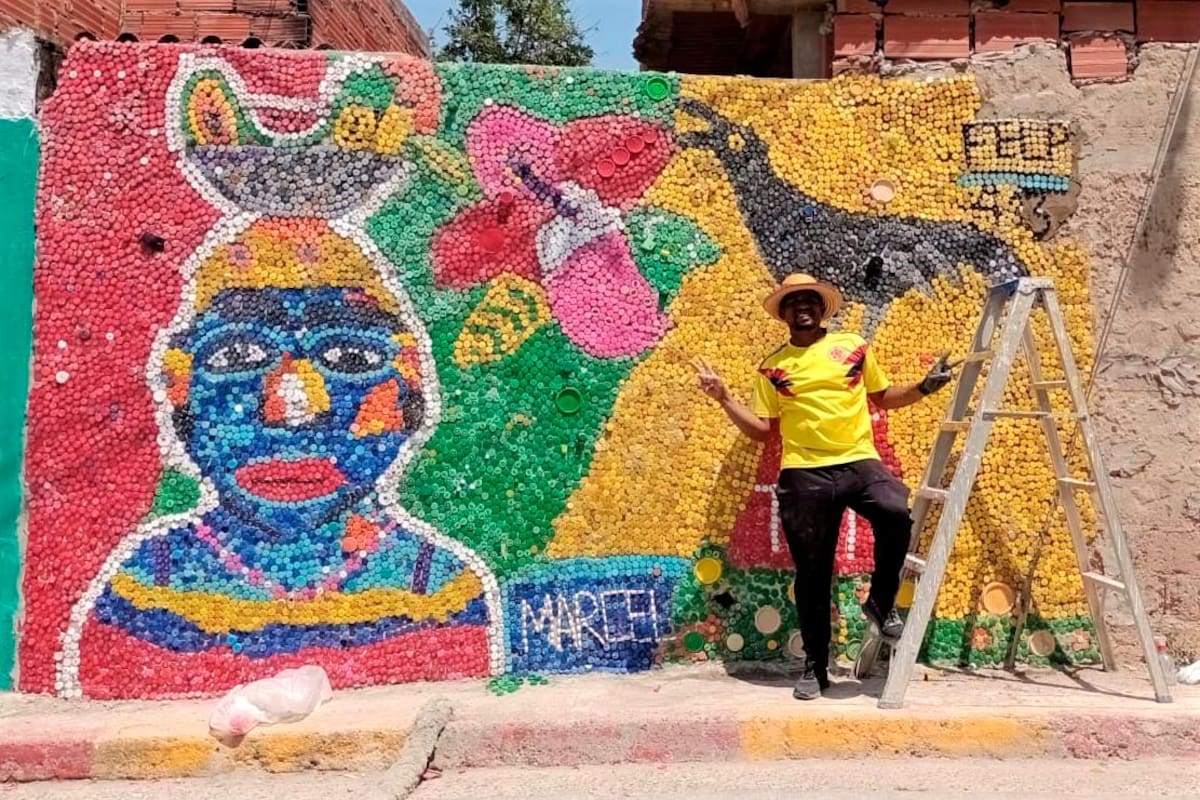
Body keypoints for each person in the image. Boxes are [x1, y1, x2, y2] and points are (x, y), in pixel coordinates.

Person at [693, 273, 957, 699]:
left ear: (821, 310)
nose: (803, 307)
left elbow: (884, 396)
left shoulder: (853, 347)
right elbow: (763, 430)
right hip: (803, 473)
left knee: (895, 513)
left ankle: (880, 601)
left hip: (858, 462)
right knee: (812, 574)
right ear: (784, 314)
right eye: (793, 302)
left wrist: (925, 387)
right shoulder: (773, 367)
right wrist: (724, 398)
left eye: (810, 301)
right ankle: (816, 667)